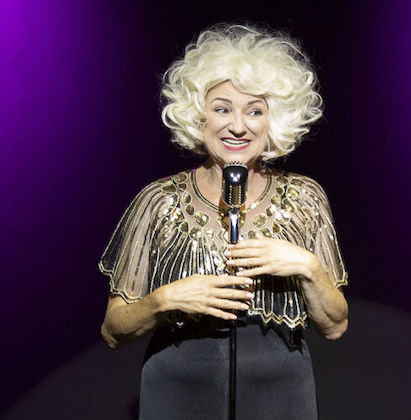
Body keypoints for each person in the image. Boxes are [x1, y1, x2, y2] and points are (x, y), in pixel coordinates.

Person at [99, 24, 348, 419]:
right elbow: (113, 331)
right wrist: (166, 299)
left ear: (273, 122)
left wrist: (307, 266)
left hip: (281, 398)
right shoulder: (158, 201)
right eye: (222, 108)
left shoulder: (304, 198)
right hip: (177, 396)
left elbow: (335, 326)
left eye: (254, 110)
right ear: (198, 118)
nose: (238, 125)